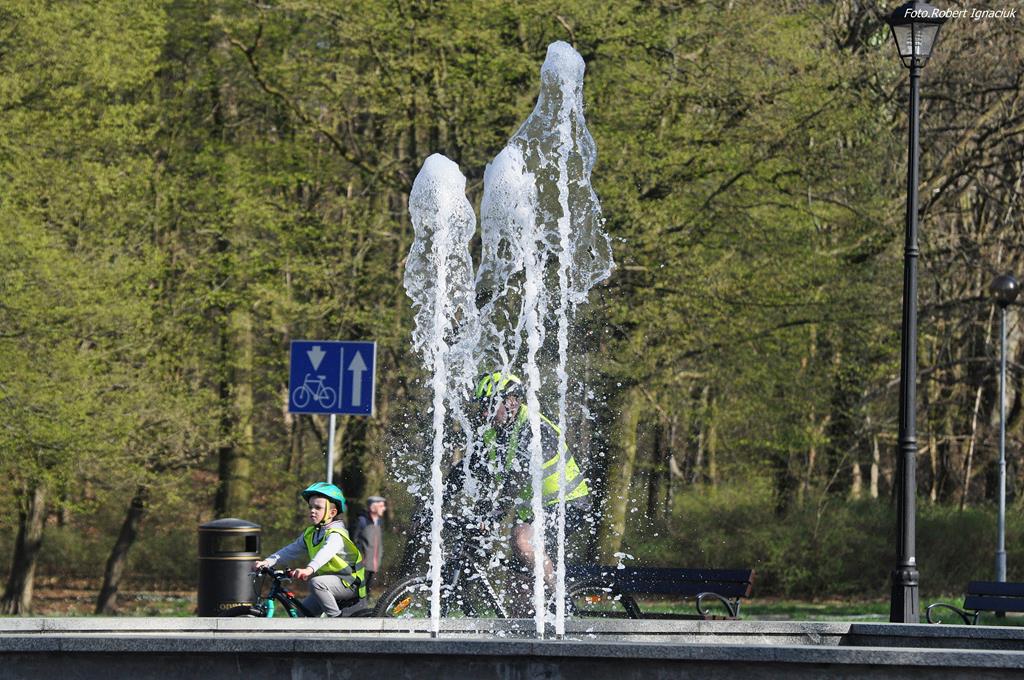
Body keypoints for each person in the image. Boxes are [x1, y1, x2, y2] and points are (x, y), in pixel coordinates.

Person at [470, 371, 591, 597]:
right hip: (535, 509)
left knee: (522, 540)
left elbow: (517, 479)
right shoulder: (494, 433)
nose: (485, 412)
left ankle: (560, 601)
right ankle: (527, 617)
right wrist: (435, 508)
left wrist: (494, 515)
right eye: (482, 406)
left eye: (490, 405)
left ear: (512, 402)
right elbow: (466, 470)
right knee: (520, 578)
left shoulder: (534, 429)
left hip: (568, 503)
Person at [253, 482, 367, 617]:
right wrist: (267, 562)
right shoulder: (311, 533)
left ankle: (336, 622)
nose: (312, 510)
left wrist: (309, 569)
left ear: (332, 513)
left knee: (316, 583)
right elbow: (290, 550)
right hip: (329, 584)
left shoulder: (337, 534)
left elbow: (325, 552)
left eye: (318, 507)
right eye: (310, 507)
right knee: (301, 616)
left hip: (349, 584)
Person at [352, 495, 386, 597]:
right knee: (359, 588)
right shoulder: (362, 520)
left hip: (374, 562)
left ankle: (366, 603)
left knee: (369, 588)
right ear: (373, 507)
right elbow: (354, 539)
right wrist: (360, 556)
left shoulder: (379, 522)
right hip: (363, 562)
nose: (384, 508)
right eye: (381, 506)